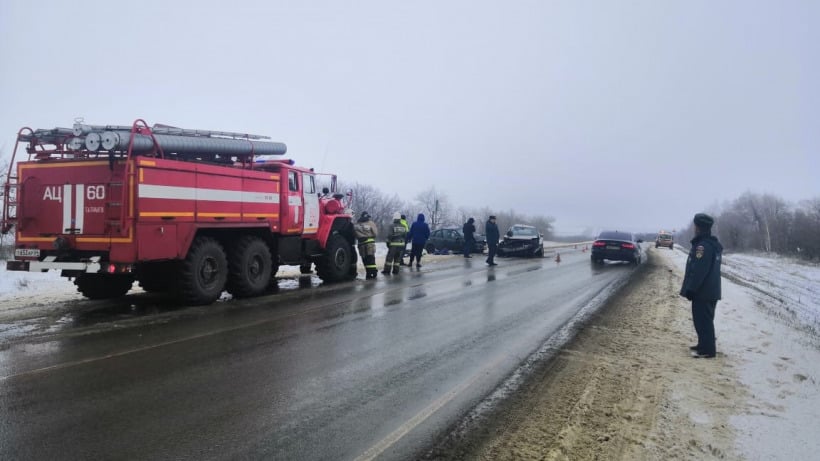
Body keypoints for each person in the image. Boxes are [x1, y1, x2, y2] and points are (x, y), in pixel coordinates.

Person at [680, 213, 723, 358]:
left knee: (703, 321)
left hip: (703, 291)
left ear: (698, 227)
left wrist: (692, 289)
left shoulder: (703, 247)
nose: (694, 228)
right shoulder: (711, 244)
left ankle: (708, 351)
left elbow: (699, 271)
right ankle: (703, 344)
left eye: (695, 225)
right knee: (704, 320)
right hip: (710, 290)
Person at [354, 211, 379, 279]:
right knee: (371, 258)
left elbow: (355, 235)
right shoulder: (370, 223)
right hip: (370, 244)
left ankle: (368, 273)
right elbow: (375, 233)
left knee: (364, 259)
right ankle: (373, 273)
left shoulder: (356, 225)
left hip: (361, 244)